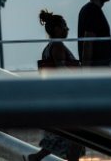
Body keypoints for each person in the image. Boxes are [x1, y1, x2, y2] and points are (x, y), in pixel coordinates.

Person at [29, 10, 84, 161]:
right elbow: (61, 70)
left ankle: (35, 158)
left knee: (66, 137)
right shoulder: (58, 46)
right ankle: (35, 158)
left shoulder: (48, 48)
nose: (67, 29)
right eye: (65, 26)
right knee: (75, 137)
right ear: (57, 29)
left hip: (55, 96)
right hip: (65, 97)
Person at [77, 0, 111, 67]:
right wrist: (87, 71)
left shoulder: (89, 10)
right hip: (98, 68)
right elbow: (88, 42)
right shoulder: (93, 11)